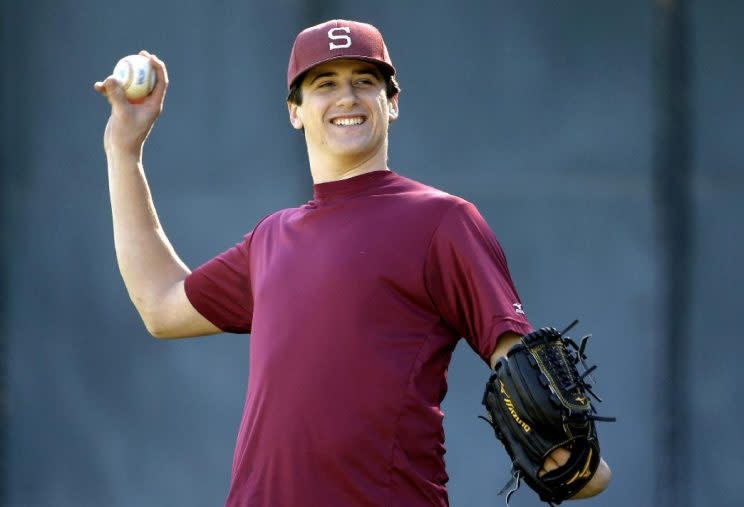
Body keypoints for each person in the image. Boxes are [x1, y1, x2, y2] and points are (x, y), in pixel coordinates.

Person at [94, 19, 610, 507]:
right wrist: (124, 150)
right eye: (324, 83)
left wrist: (572, 459)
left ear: (392, 103)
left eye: (365, 80)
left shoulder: (441, 222)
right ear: (294, 110)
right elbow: (161, 306)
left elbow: (519, 364)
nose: (346, 96)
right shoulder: (272, 238)